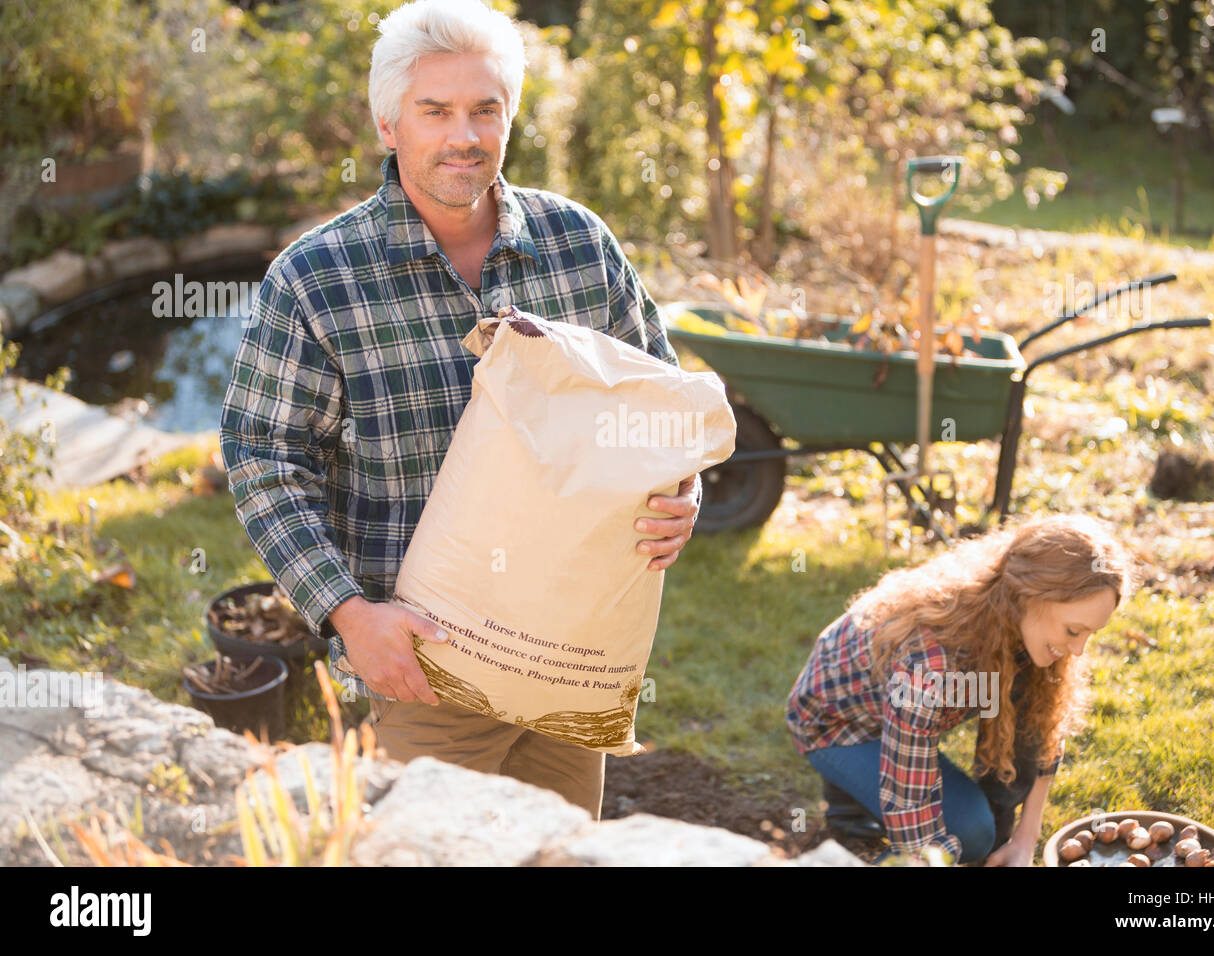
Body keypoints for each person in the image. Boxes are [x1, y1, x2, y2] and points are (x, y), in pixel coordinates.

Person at [219, 0, 700, 820]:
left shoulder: (581, 246)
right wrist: (346, 614)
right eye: (434, 110)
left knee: (558, 846)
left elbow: (662, 400)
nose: (463, 136)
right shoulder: (316, 281)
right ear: (387, 124)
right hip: (424, 668)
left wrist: (683, 496)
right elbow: (263, 457)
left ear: (510, 116)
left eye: (485, 109)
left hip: (574, 648)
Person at [786, 514, 1135, 865]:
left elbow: (1045, 728)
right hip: (838, 722)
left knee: (1028, 695)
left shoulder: (1019, 616)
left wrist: (1025, 839)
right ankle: (849, 800)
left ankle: (866, 795)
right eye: (1074, 632)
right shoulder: (932, 663)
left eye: (1091, 633)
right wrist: (929, 857)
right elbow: (911, 807)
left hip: (901, 707)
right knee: (970, 833)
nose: (1078, 650)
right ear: (1030, 597)